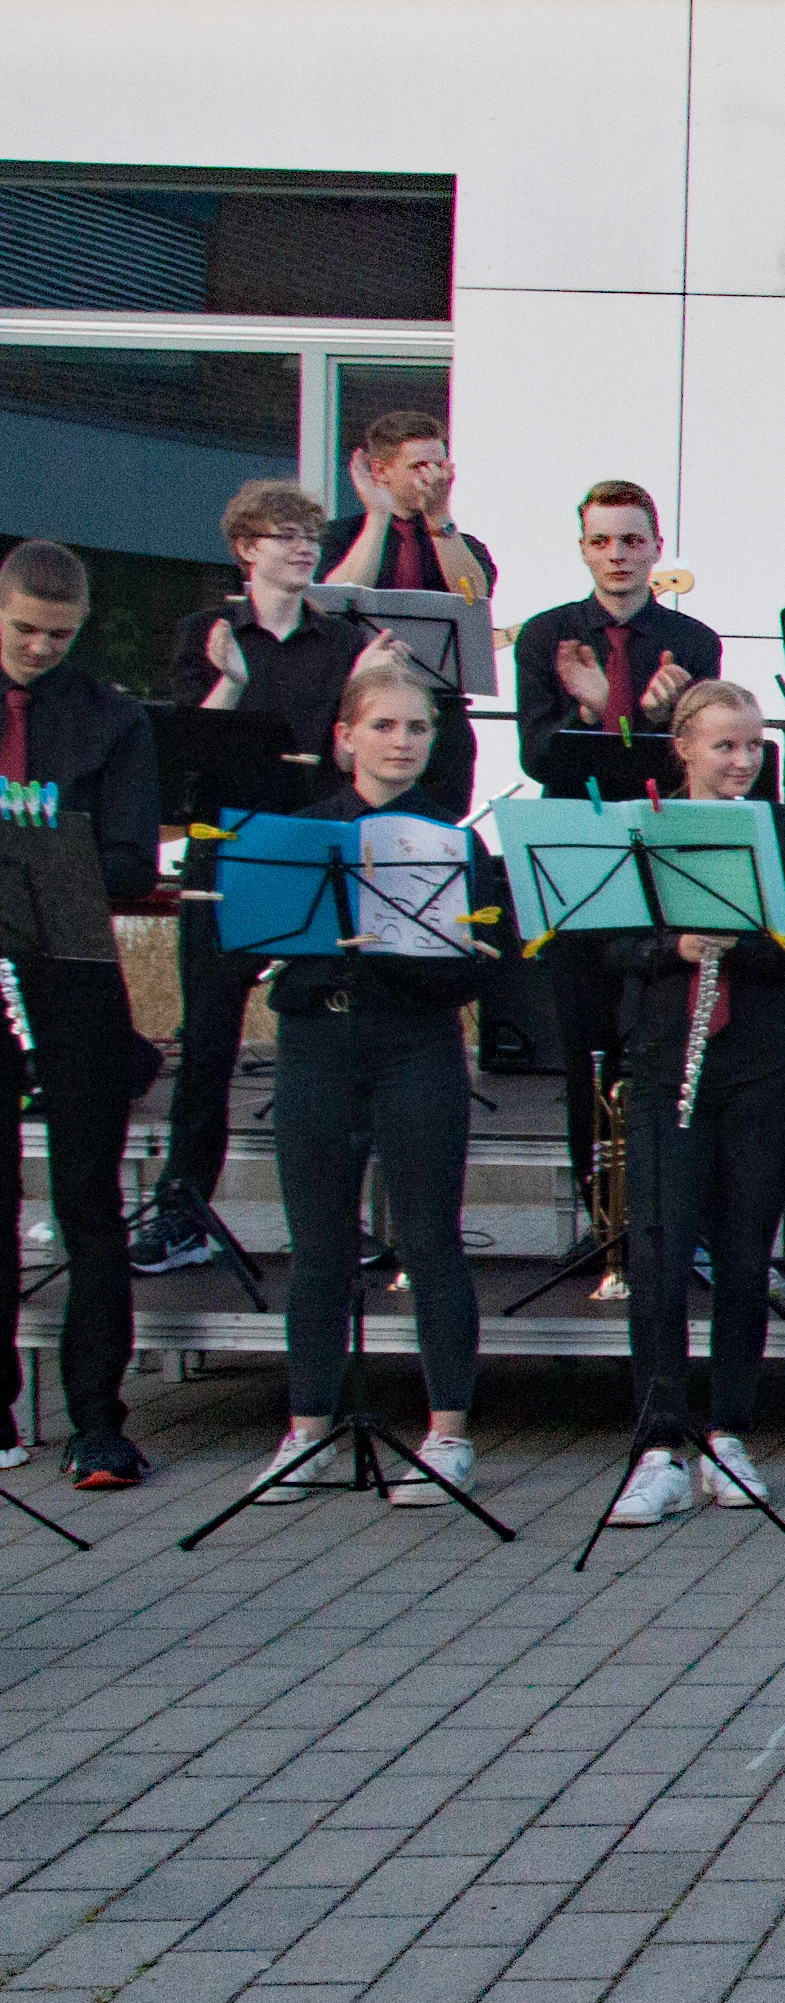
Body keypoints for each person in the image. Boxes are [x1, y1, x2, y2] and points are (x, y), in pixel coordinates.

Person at [137, 481, 430, 1276]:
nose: (303, 546)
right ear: (246, 548)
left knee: (335, 1032)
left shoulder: (344, 641)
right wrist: (231, 680)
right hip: (228, 847)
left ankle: (337, 1221)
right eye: (285, 534)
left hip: (317, 845)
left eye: (310, 534)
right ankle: (184, 1209)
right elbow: (190, 747)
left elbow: (350, 757)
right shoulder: (205, 631)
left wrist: (366, 683)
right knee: (207, 1038)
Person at [240, 661, 495, 1508]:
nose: (401, 742)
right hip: (318, 1040)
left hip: (415, 1043)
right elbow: (253, 948)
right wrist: (322, 947)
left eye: (417, 728)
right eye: (383, 726)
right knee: (318, 1245)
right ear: (345, 736)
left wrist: (405, 948)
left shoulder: (452, 841)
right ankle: (306, 1429)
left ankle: (448, 1433)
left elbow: (475, 973)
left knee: (430, 1239)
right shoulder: (301, 832)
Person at [602, 682, 785, 1525]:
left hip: (765, 1063)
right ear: (684, 747)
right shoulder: (643, 830)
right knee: (658, 1254)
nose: (742, 760)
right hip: (668, 1058)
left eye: (753, 746)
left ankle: (729, 1433)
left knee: (742, 1256)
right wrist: (677, 944)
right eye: (724, 745)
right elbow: (610, 942)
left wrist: (730, 937)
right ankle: (657, 1444)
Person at [513, 481, 722, 1251]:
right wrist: (591, 710)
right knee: (587, 1038)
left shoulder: (691, 641)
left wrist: (659, 720)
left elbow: (692, 764)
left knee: (665, 1036)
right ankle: (602, 1217)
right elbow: (540, 758)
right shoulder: (547, 636)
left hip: (665, 846)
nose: (617, 555)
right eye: (601, 541)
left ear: (656, 546)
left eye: (632, 540)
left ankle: (670, 1216)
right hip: (581, 849)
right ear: (582, 548)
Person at [0, 543, 158, 1487]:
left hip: (73, 975)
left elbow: (134, 857)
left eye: (58, 635)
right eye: (23, 629)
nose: (39, 647)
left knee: (88, 1205)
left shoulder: (112, 718)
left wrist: (49, 861)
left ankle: (97, 1419)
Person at [317, 410, 497, 600]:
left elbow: (473, 597)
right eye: (419, 466)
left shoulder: (461, 544)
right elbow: (336, 599)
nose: (432, 476)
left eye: (438, 466)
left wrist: (438, 514)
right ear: (380, 470)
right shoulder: (335, 537)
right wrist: (378, 515)